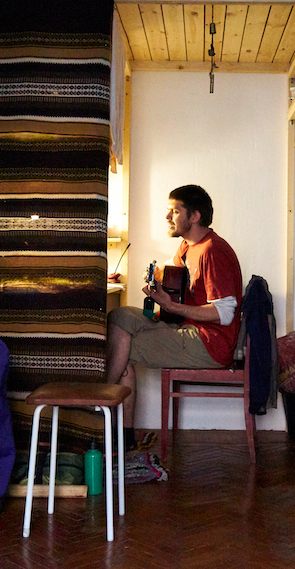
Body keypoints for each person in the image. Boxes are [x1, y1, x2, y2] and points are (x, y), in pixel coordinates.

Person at [106, 184, 243, 448]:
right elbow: (175, 276)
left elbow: (225, 314)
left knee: (124, 349)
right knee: (120, 316)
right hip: (187, 328)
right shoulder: (187, 246)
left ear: (195, 216)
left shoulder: (214, 251)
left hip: (210, 344)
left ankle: (106, 417)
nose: (168, 216)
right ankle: (108, 416)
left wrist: (174, 307)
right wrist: (156, 279)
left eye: (175, 211)